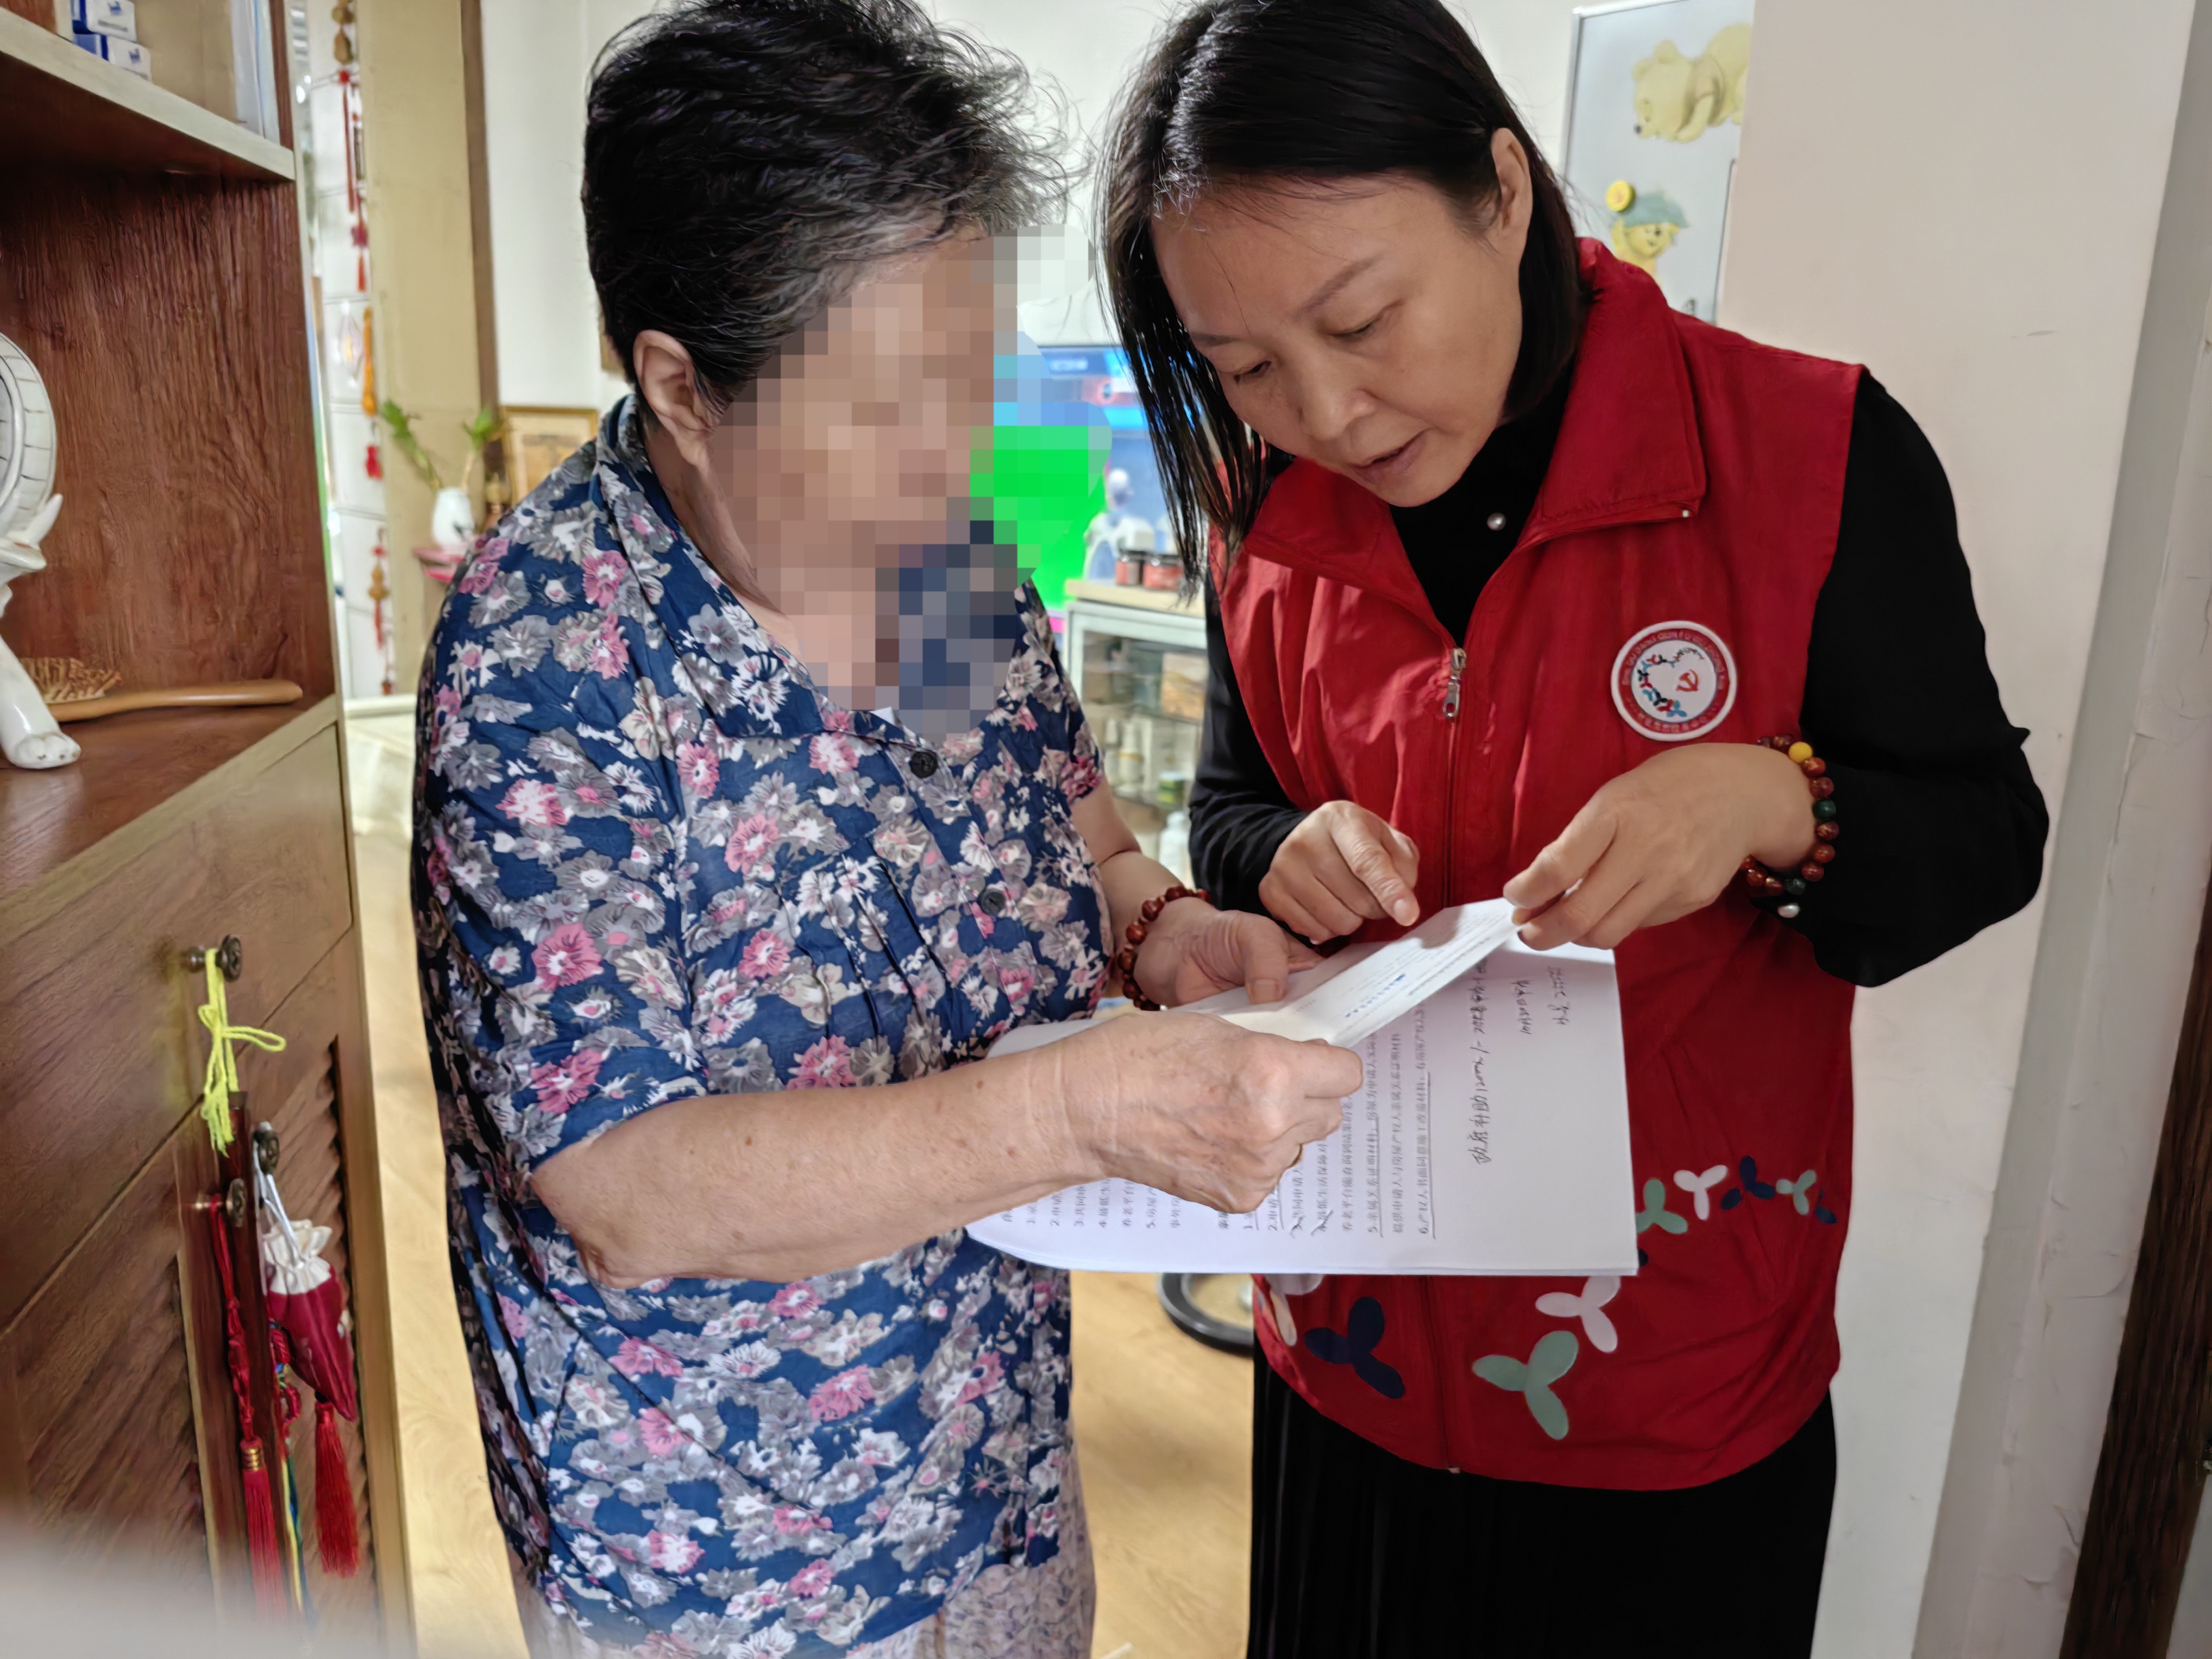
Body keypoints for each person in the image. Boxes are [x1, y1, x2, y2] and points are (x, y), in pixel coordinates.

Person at [1098, 2, 2049, 1653]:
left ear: (1503, 189)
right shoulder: (1267, 512)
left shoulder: (1809, 453)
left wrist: (1772, 799)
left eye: (1362, 319)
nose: (1328, 412)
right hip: (1352, 1341)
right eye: (1247, 368)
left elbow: (1984, 836)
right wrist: (1279, 849)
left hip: (1667, 1380)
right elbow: (1231, 806)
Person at [410, 4, 1359, 1655]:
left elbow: (1066, 816)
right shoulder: (548, 659)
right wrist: (1074, 1110)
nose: (955, 460)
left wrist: (1156, 924)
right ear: (683, 386)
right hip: (721, 1555)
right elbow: (625, 1185)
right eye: (889, 402)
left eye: (972, 384)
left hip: (992, 1456)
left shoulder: (942, 568)